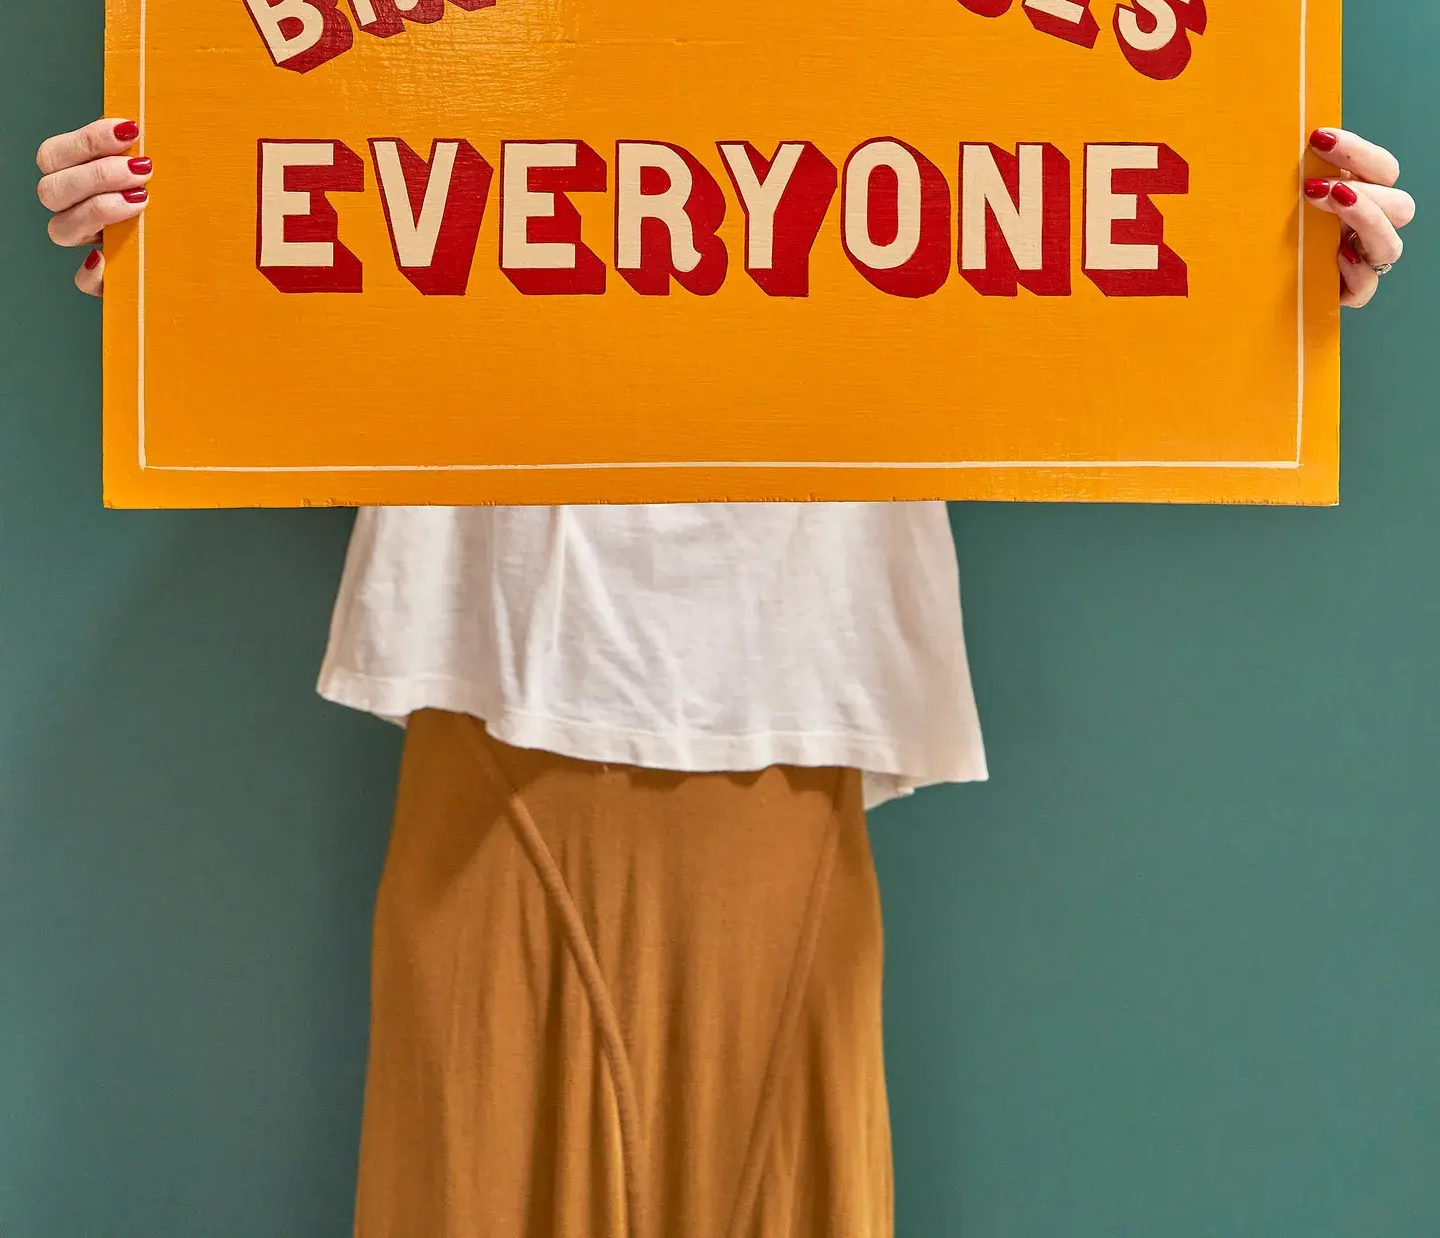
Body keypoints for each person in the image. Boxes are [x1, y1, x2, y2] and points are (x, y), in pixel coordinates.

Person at [35, 115, 1415, 1238]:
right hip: (497, 682)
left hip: (788, 702)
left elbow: (1068, 197)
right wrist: (171, 226)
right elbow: (297, 154)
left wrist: (1265, 251)